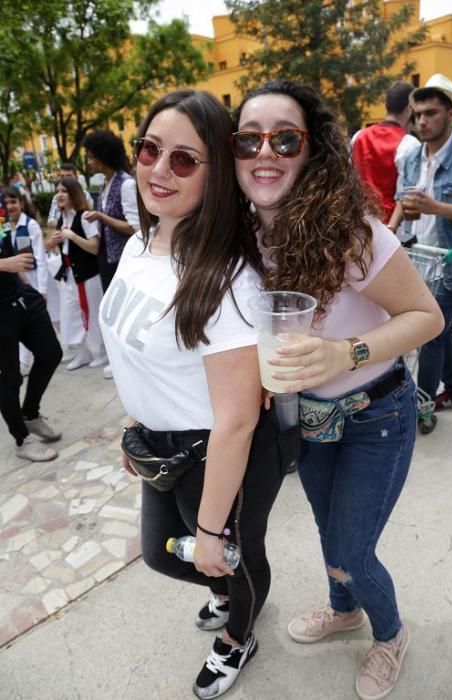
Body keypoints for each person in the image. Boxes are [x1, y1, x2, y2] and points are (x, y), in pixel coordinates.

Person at [232, 80, 443, 700]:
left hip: (377, 415)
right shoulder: (241, 236)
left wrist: (340, 352)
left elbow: (426, 317)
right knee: (330, 531)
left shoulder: (352, 232)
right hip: (311, 416)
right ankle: (343, 608)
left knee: (352, 543)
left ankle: (389, 633)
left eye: (285, 138)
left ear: (312, 150)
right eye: (248, 139)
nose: (265, 151)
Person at [99, 89, 289, 699]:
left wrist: (210, 529)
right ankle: (226, 593)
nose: (158, 169)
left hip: (214, 456)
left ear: (215, 176)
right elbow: (134, 351)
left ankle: (239, 636)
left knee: (231, 555)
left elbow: (235, 422)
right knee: (160, 554)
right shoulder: (138, 244)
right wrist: (138, 425)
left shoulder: (228, 281)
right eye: (150, 149)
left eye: (184, 159)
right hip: (160, 445)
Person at [388, 74, 452, 416]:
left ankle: (421, 403)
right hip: (421, 259)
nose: (422, 121)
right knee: (442, 326)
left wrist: (436, 207)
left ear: (451, 113)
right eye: (418, 114)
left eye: (431, 113)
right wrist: (390, 230)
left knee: (430, 331)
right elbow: (402, 201)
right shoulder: (411, 157)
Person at [0, 196, 62, 462]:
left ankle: (30, 413)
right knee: (9, 377)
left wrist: (21, 274)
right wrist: (4, 265)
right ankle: (22, 437)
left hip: (19, 293)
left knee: (51, 353)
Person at [82, 130, 140, 379]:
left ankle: (128, 362)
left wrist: (101, 217)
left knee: (123, 313)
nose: (89, 161)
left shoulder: (125, 184)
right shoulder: (105, 184)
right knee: (112, 313)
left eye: (91, 156)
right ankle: (118, 359)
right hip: (108, 256)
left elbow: (136, 227)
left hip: (122, 259)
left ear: (102, 156)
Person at [50, 177, 106, 370]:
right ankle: (83, 353)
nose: (59, 194)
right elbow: (62, 247)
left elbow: (94, 247)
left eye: (63, 191)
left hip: (87, 274)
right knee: (69, 316)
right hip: (69, 275)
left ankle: (104, 352)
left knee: (93, 313)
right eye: (57, 191)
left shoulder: (84, 216)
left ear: (73, 193)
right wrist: (57, 240)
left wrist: (72, 236)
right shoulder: (61, 219)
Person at [352, 81, 419, 224]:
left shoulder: (359, 136)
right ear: (409, 108)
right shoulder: (409, 144)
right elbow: (406, 196)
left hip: (357, 220)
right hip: (390, 228)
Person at [2, 186, 49, 376]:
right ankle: (24, 362)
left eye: (13, 202)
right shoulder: (3, 226)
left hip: (34, 280)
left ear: (21, 203)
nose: (10, 206)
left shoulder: (29, 226)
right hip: (16, 285)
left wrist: (42, 289)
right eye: (5, 203)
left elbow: (40, 258)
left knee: (40, 321)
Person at [47, 162, 94, 228]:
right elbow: (50, 221)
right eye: (62, 176)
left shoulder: (85, 195)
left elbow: (90, 219)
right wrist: (64, 225)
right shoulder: (57, 196)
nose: (65, 179)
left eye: (69, 176)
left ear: (76, 177)